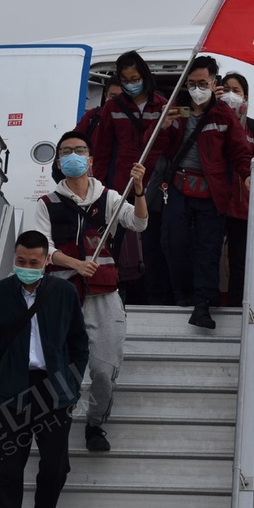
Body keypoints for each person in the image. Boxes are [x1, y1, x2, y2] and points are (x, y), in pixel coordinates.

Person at [0, 230, 90, 508]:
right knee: (9, 474)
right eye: (20, 261)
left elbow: (79, 346)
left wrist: (72, 387)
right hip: (11, 392)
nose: (26, 267)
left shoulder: (64, 293)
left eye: (33, 262)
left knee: (55, 470)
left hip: (53, 391)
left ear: (46, 261)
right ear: (14, 258)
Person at [35, 131, 147, 453]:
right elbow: (43, 249)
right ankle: (57, 422)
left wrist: (139, 189)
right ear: (59, 162)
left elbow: (138, 223)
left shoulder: (109, 197)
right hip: (62, 293)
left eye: (79, 150)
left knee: (103, 369)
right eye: (66, 151)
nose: (73, 155)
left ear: (90, 160)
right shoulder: (47, 204)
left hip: (103, 295)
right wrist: (76, 264)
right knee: (57, 366)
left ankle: (95, 424)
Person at [162, 55, 251, 329]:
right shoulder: (175, 110)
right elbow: (154, 147)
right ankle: (183, 295)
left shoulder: (224, 115)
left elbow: (240, 150)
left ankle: (203, 305)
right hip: (178, 187)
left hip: (212, 191)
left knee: (208, 249)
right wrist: (162, 127)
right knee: (175, 242)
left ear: (214, 83)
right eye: (192, 83)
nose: (197, 89)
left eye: (202, 83)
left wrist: (249, 175)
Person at [91, 51, 179, 306]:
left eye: (135, 79)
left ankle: (156, 300)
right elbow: (102, 150)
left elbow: (174, 148)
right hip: (120, 186)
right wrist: (100, 189)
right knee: (113, 244)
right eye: (126, 80)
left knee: (153, 245)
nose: (131, 84)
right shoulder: (112, 107)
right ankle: (110, 297)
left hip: (154, 186)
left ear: (145, 77)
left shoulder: (163, 104)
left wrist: (165, 128)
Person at [220, 72, 254, 308]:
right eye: (226, 90)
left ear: (245, 97)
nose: (230, 95)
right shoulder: (210, 122)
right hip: (213, 201)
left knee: (239, 260)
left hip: (242, 206)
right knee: (207, 255)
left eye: (236, 91)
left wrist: (246, 162)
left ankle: (236, 305)